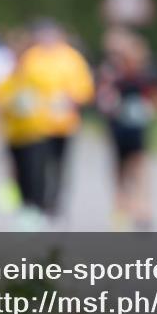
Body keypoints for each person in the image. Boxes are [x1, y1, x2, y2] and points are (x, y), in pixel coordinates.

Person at [17, 19, 94, 217]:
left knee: (59, 164)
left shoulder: (72, 58)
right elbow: (21, 85)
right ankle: (40, 200)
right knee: (38, 164)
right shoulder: (32, 57)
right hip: (37, 124)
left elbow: (84, 87)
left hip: (64, 124)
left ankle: (55, 201)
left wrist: (73, 98)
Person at [96, 27, 157, 231]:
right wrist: (110, 104)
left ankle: (142, 209)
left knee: (139, 169)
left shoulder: (146, 78)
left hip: (137, 129)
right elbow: (103, 99)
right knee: (120, 170)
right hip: (117, 128)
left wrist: (150, 109)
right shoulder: (113, 76)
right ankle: (121, 207)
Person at [0, 28, 52, 216]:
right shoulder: (8, 80)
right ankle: (24, 205)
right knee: (19, 172)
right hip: (15, 134)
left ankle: (37, 206)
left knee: (35, 172)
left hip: (35, 132)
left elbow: (48, 100)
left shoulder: (37, 78)